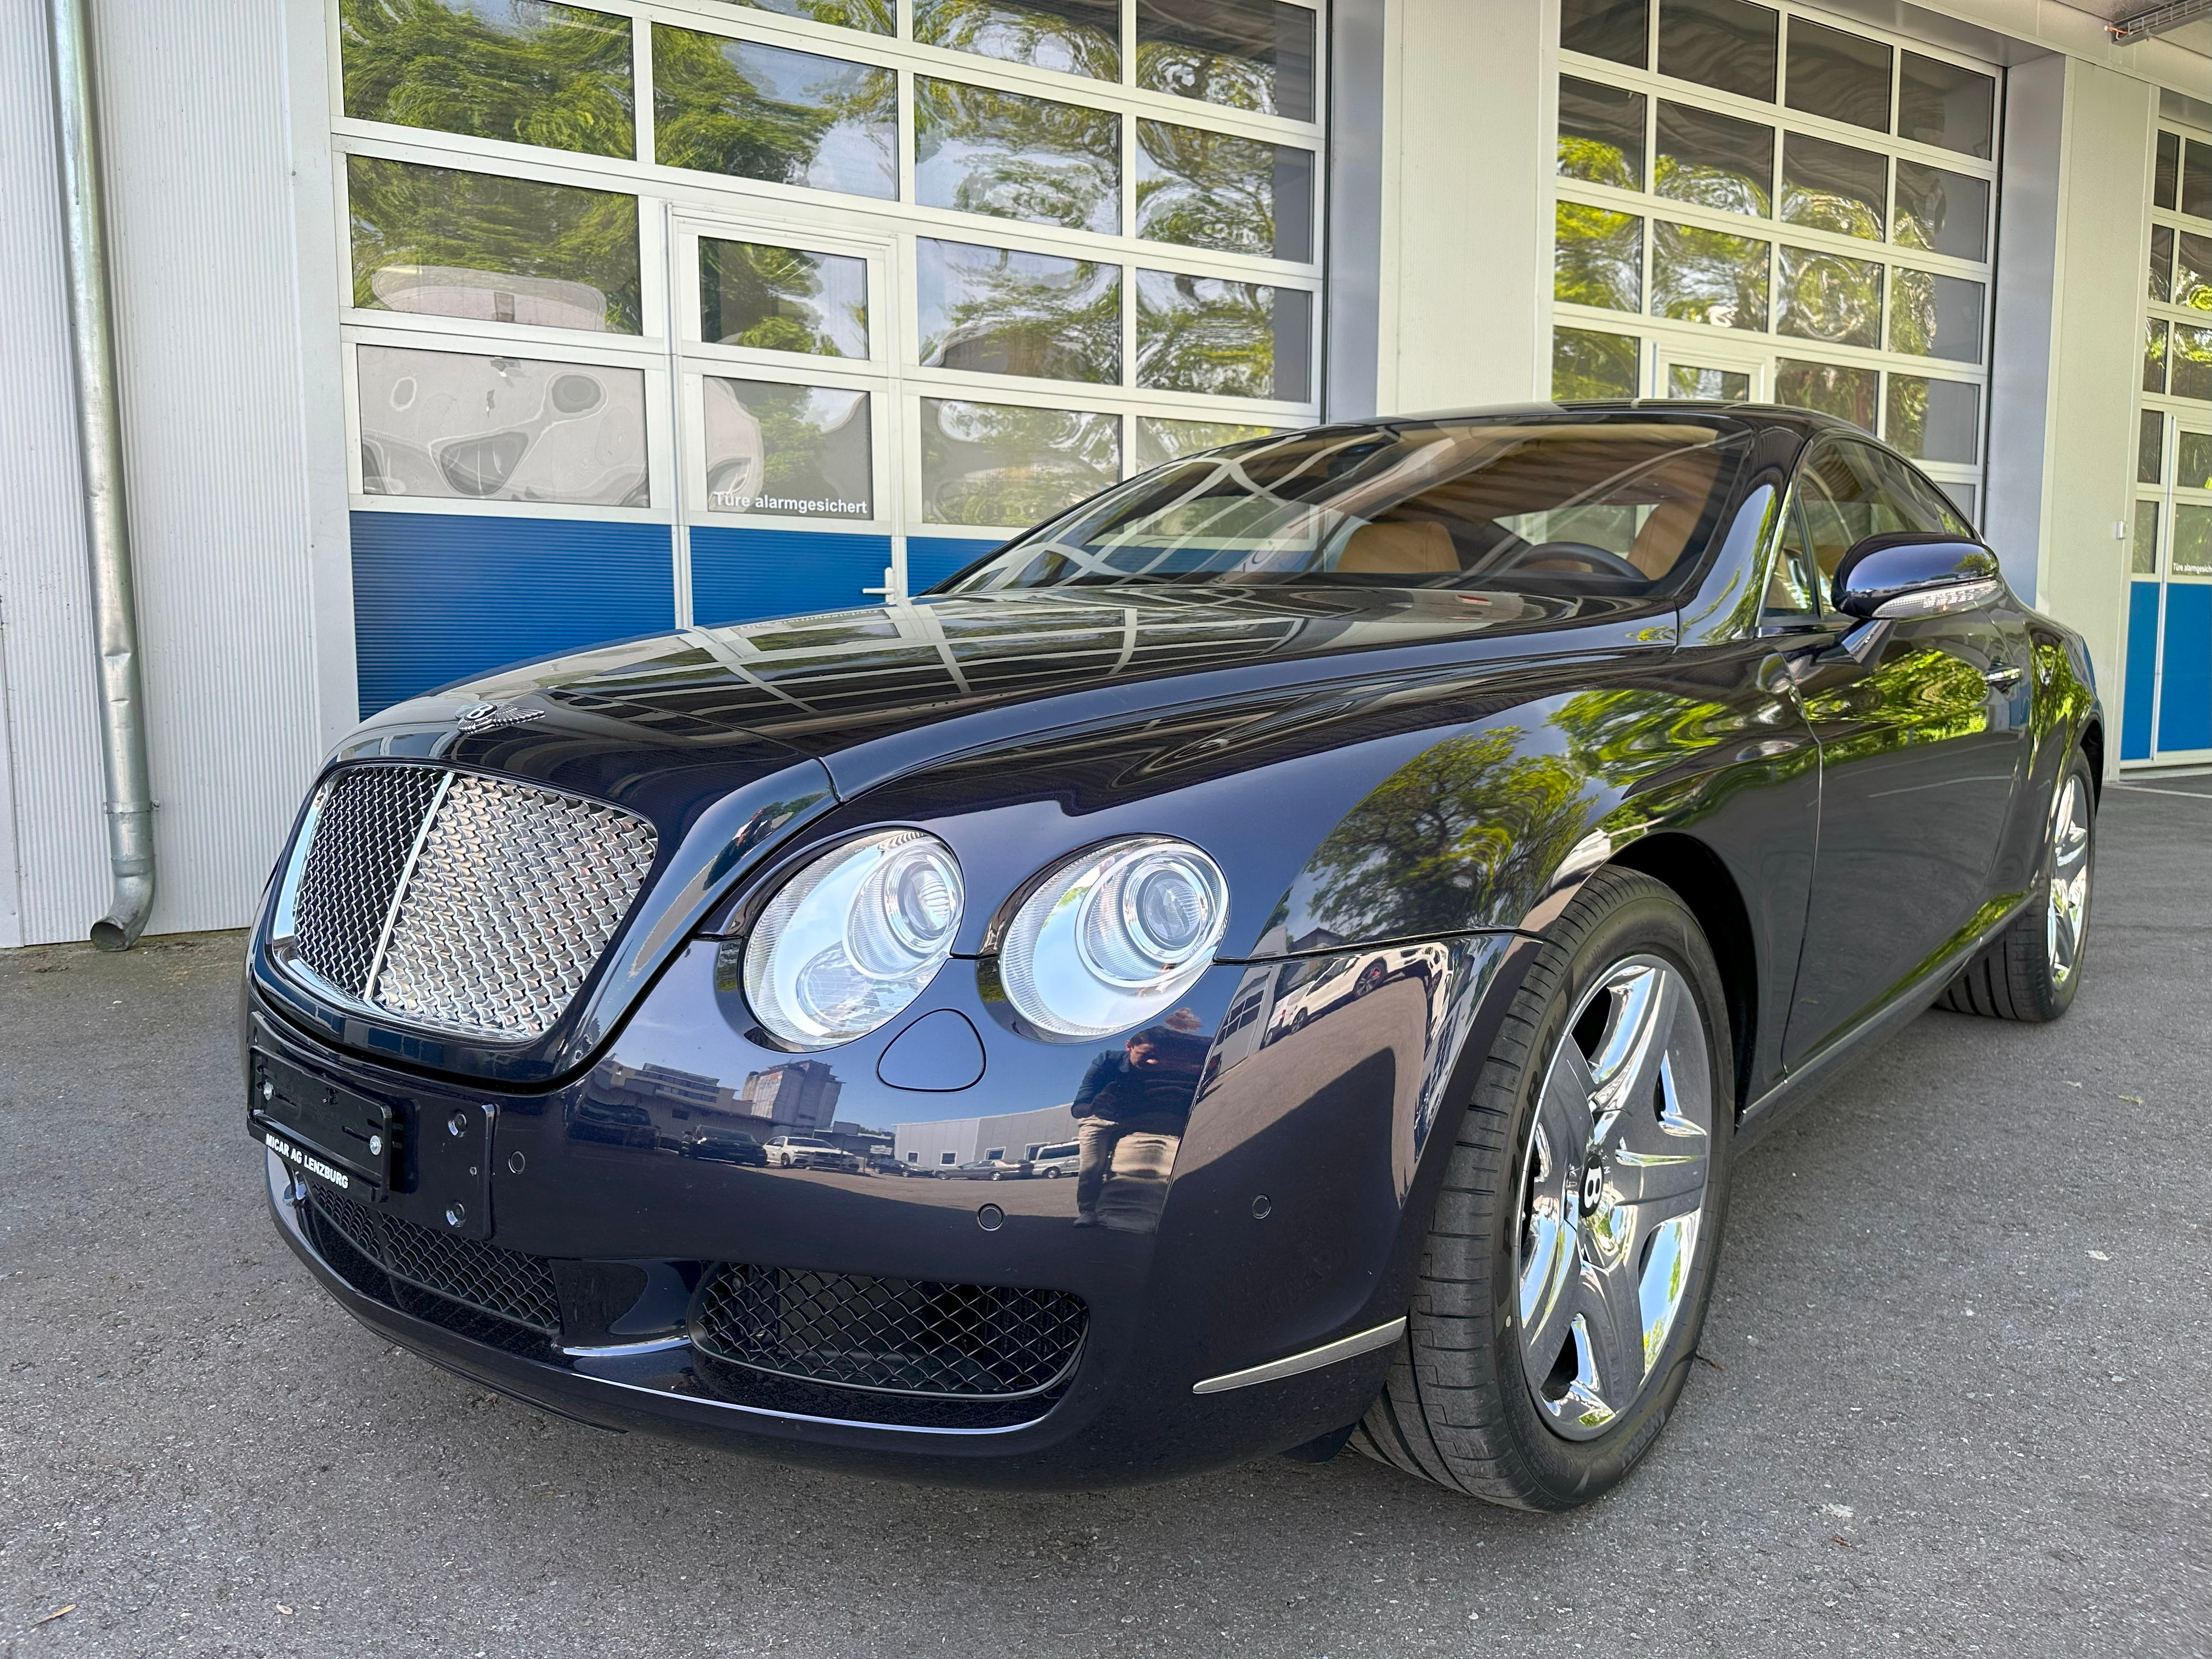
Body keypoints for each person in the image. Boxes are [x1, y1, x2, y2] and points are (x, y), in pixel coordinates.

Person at [1069, 1013, 1207, 1229]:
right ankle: (1087, 1210)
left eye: (1159, 1056)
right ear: (1129, 1046)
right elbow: (1078, 1109)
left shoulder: (1161, 1067)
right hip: (1098, 1120)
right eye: (1147, 1055)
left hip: (1134, 1120)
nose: (1154, 1062)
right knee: (1093, 1166)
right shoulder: (1106, 1062)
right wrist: (1096, 1105)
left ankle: (1151, 1207)